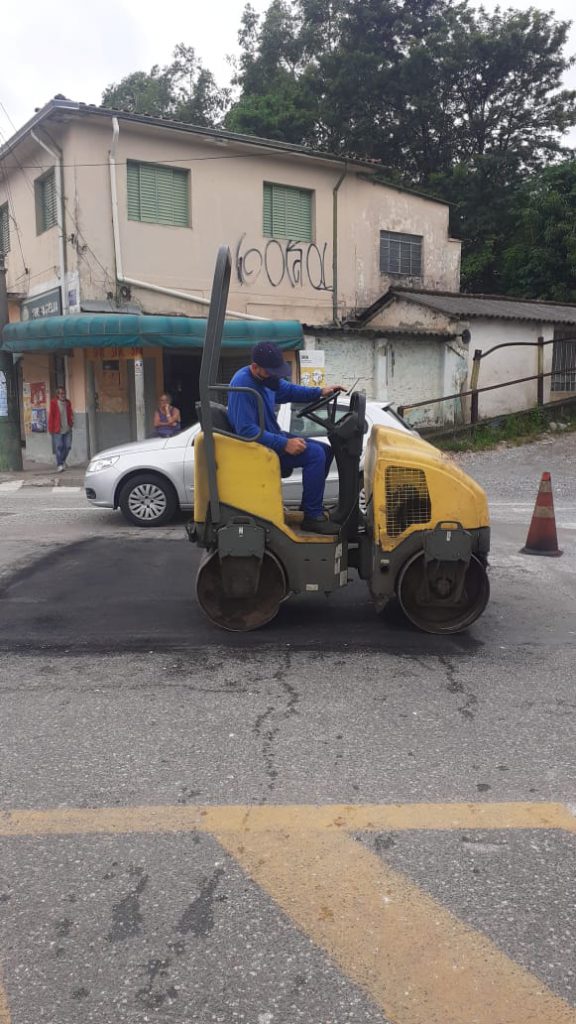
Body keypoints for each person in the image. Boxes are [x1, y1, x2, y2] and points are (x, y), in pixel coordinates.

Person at [227, 342, 346, 535]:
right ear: (255, 367)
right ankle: (312, 517)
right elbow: (246, 430)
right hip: (257, 448)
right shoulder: (244, 385)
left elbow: (289, 390)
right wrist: (284, 444)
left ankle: (308, 507)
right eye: (270, 372)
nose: (275, 376)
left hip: (271, 437)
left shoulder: (266, 380)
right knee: (315, 455)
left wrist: (320, 392)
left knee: (325, 450)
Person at [48, 385, 73, 473]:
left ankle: (62, 461)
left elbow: (70, 413)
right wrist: (50, 429)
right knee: (59, 447)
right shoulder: (54, 403)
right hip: (57, 429)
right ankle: (59, 465)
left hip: (67, 428)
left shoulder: (68, 403)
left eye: (64, 393)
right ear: (57, 395)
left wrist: (71, 422)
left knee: (68, 446)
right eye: (61, 393)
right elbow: (51, 416)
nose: (63, 395)